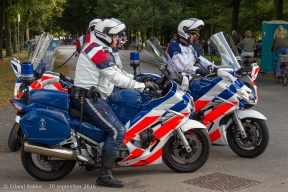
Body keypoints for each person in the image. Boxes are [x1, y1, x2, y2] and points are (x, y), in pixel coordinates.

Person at [70, 18, 157, 188]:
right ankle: (104, 175)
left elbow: (117, 70)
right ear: (105, 35)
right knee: (117, 130)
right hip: (88, 98)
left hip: (93, 96)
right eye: (116, 35)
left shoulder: (100, 49)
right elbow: (114, 77)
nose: (118, 38)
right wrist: (141, 86)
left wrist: (137, 78)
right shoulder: (95, 50)